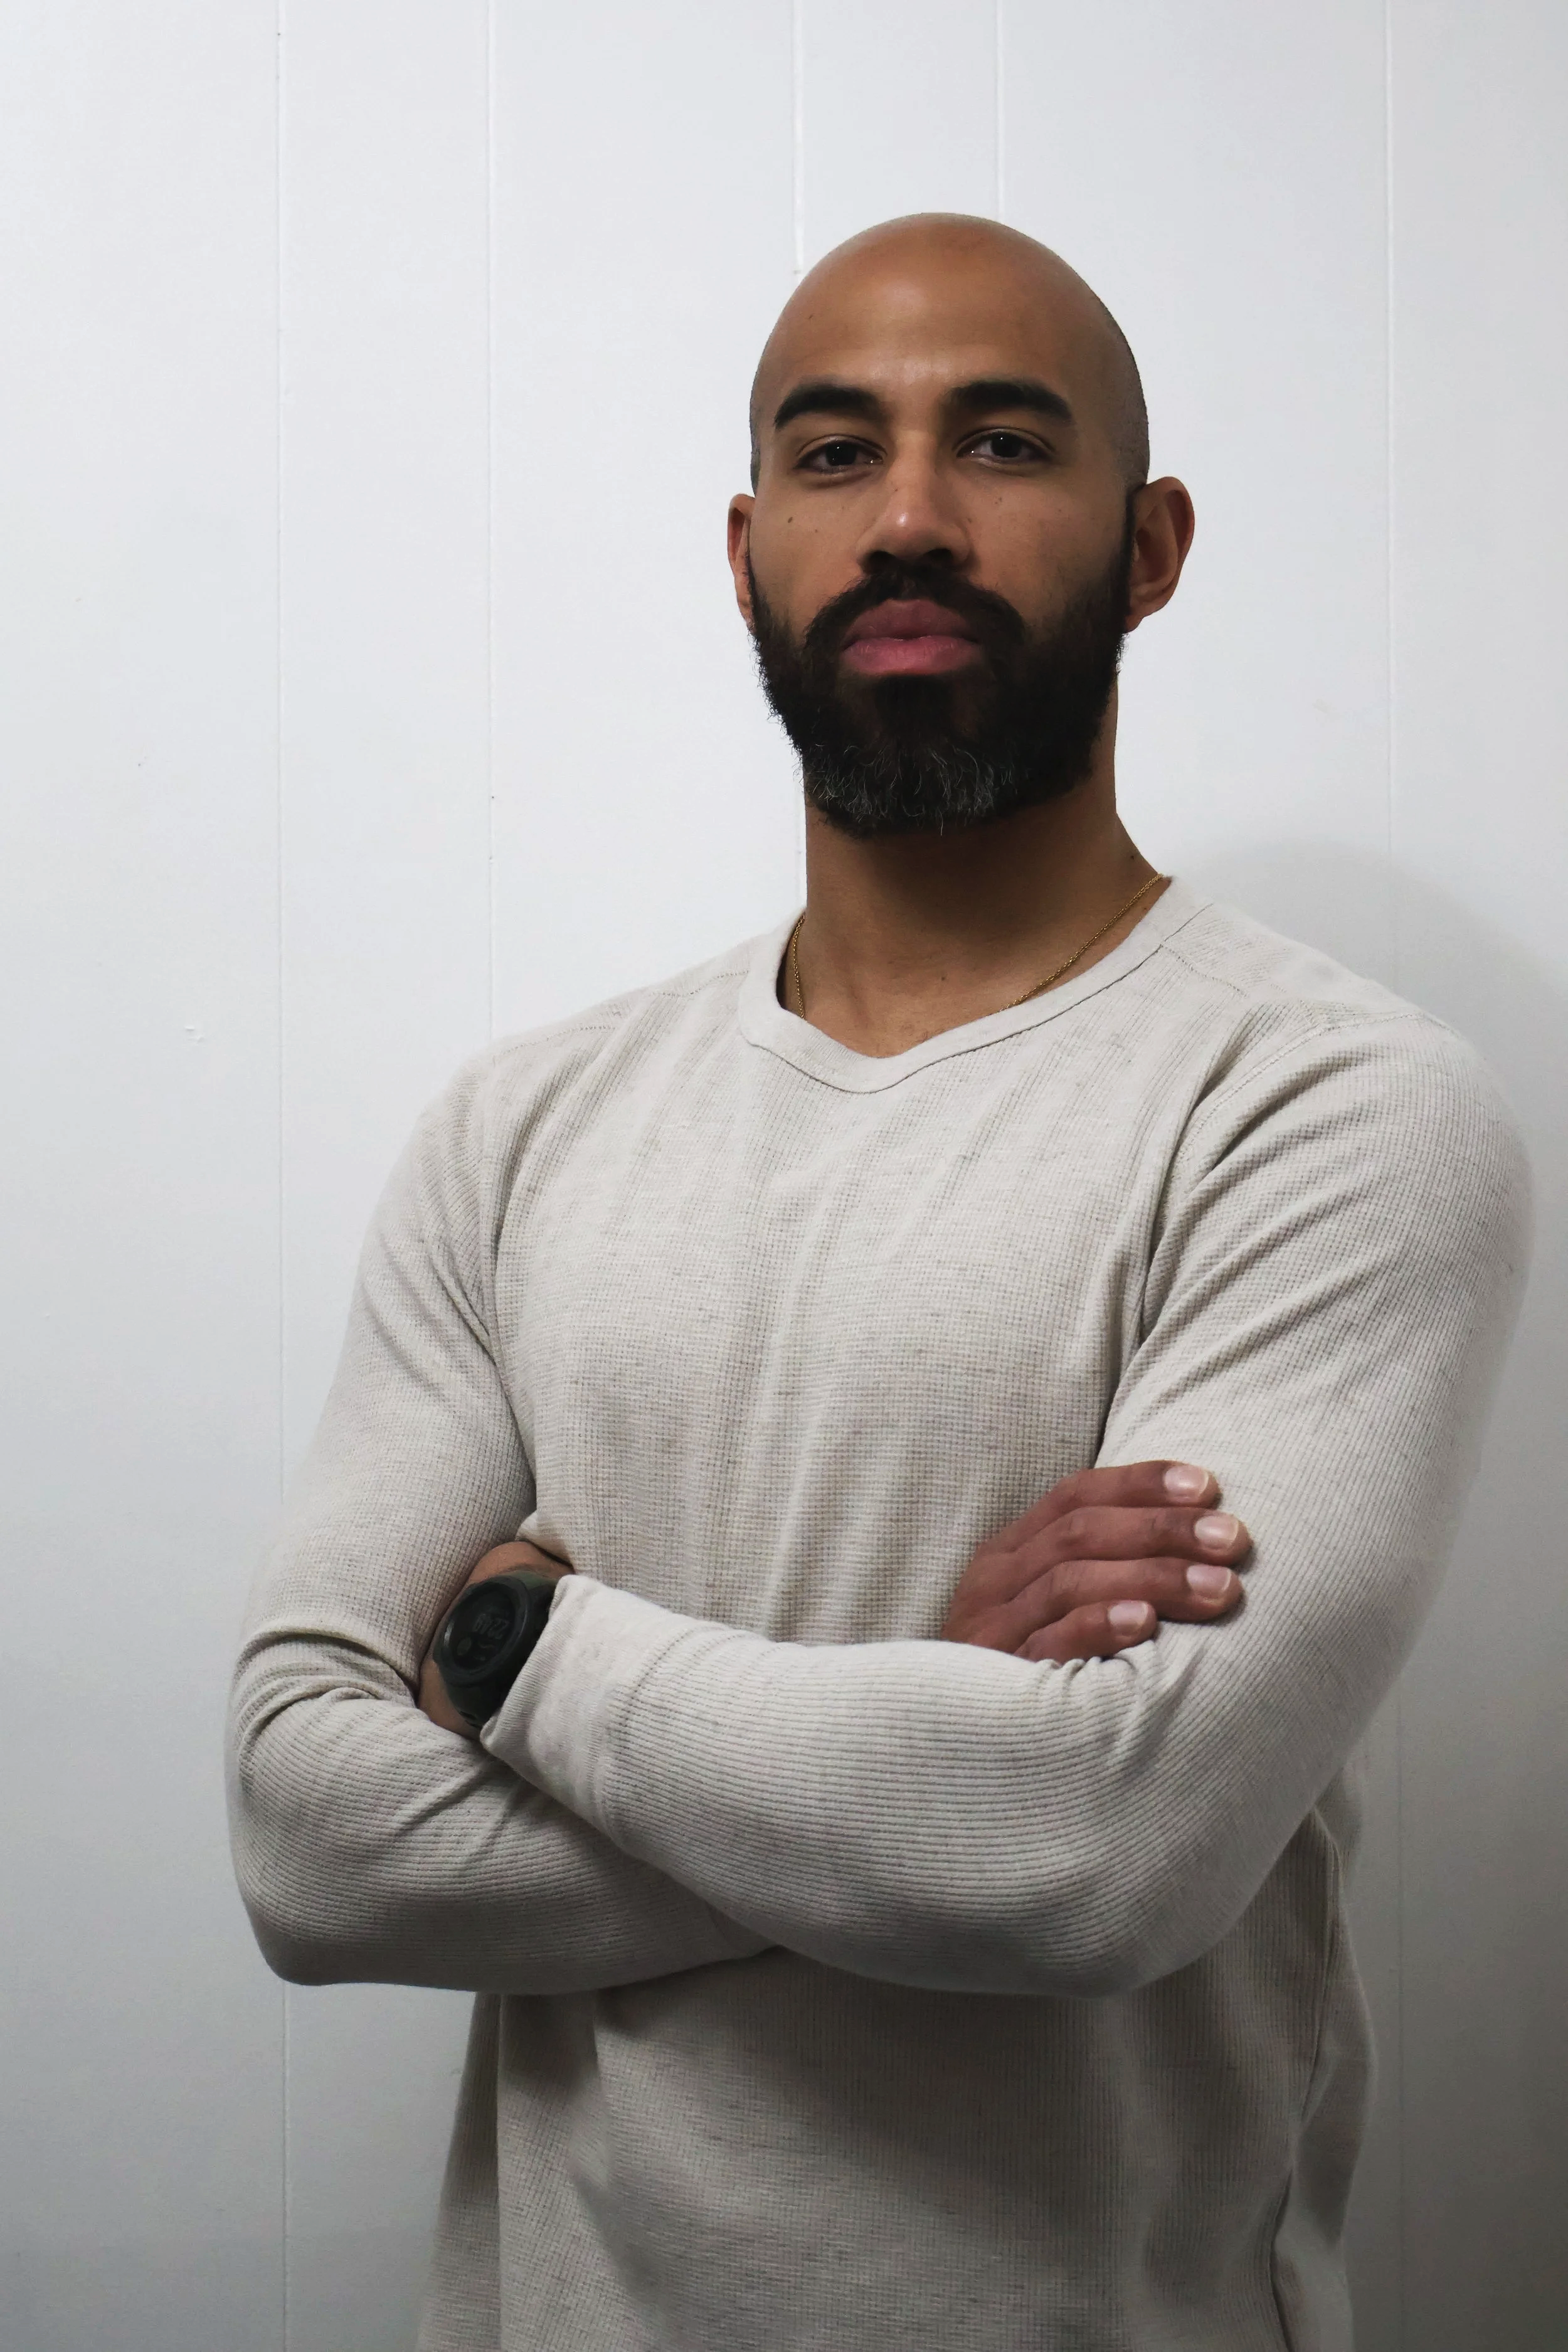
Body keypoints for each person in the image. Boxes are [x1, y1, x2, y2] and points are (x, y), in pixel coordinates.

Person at [228, 215, 1527, 2352]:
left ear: (1151, 540)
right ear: (746, 547)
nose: (908, 517)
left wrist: (513, 1645)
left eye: (1001, 442)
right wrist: (916, 1695)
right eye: (834, 456)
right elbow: (303, 1832)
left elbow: (1093, 1854)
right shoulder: (521, 1128)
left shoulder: (1328, 1108)